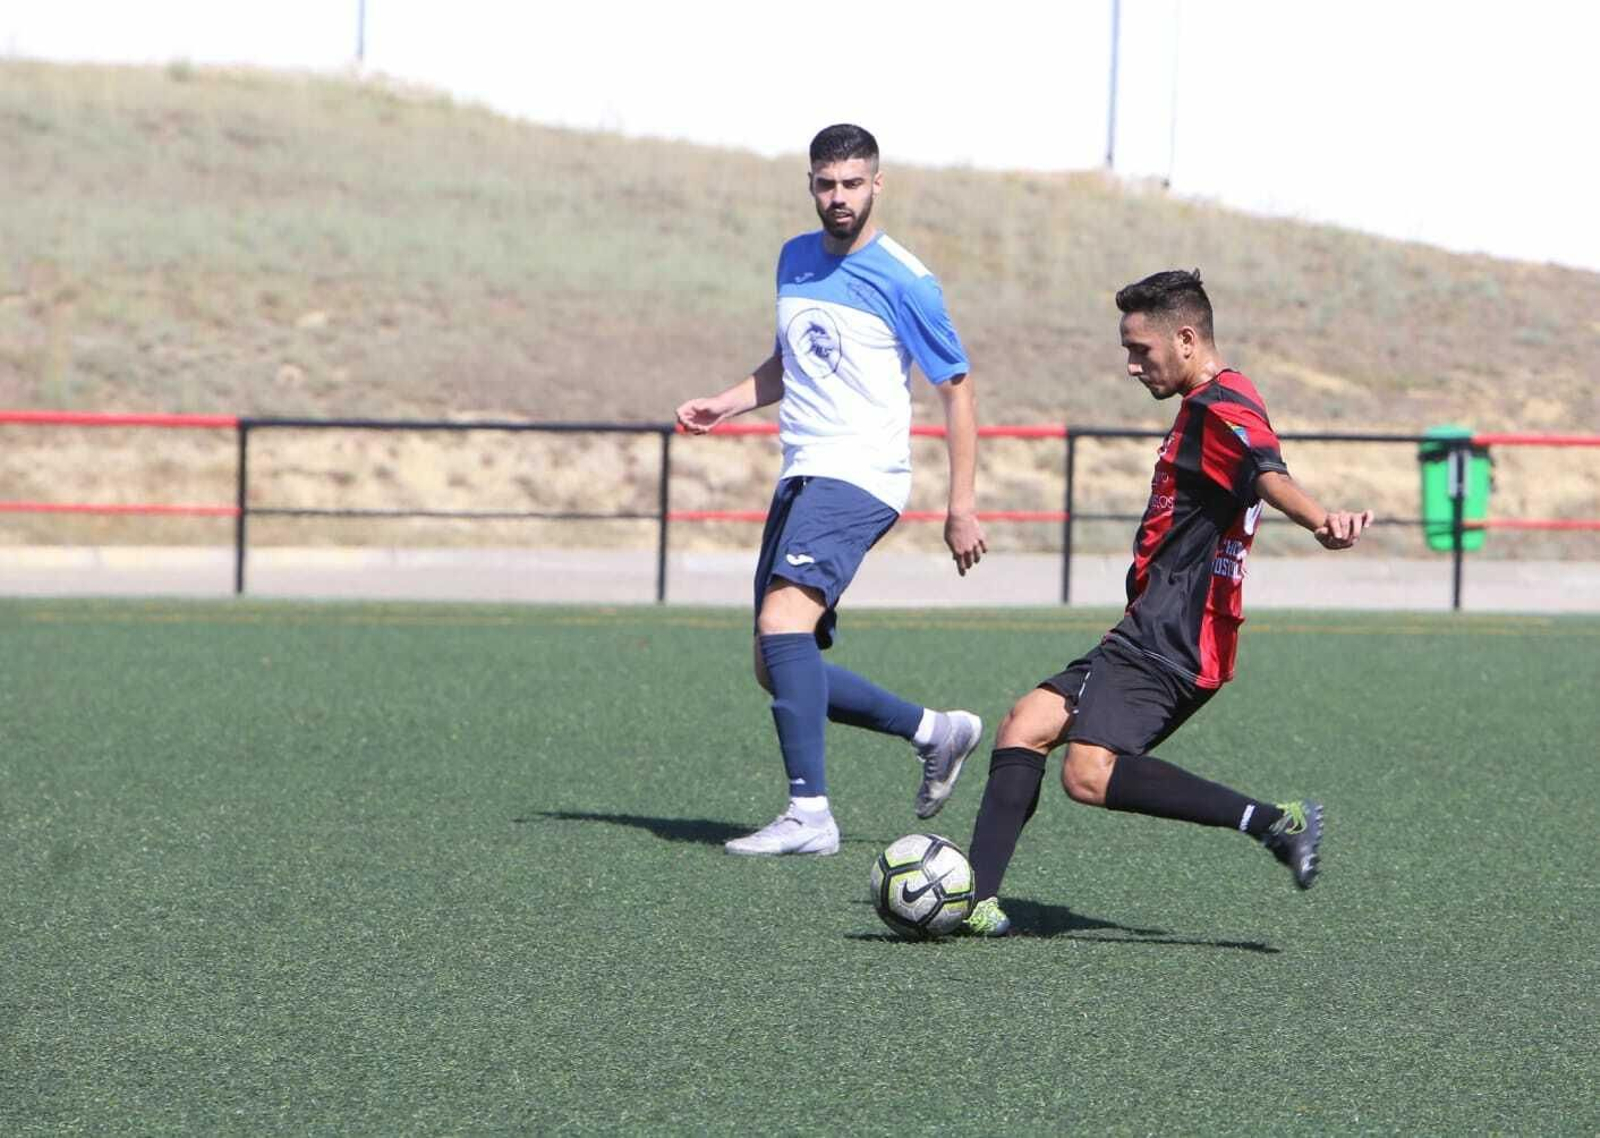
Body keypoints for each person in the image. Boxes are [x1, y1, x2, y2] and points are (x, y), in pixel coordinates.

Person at [961, 269, 1373, 935]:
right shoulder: (1216, 401)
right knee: (1025, 724)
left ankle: (1275, 822)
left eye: (1139, 349)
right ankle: (974, 900)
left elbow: (1269, 474)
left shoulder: (1219, 407)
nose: (1130, 365)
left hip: (1176, 634)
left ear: (1186, 339)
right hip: (1151, 622)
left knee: (1088, 775)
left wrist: (1322, 520)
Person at [675, 123, 988, 857]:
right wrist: (725, 402)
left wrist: (961, 505)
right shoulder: (793, 259)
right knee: (775, 659)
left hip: (862, 473)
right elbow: (793, 363)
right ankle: (934, 731)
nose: (838, 197)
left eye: (852, 184)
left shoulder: (907, 279)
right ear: (810, 184)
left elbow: (958, 390)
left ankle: (809, 814)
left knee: (784, 624)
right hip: (802, 470)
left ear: (877, 185)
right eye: (826, 184)